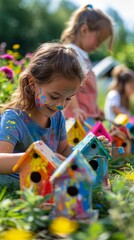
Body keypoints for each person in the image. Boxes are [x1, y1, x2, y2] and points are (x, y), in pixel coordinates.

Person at [0, 42, 111, 184]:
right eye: (54, 96)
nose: (60, 105)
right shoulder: (14, 119)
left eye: (68, 98)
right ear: (33, 84)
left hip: (47, 189)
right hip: (17, 190)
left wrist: (88, 151)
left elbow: (64, 149)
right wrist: (41, 157)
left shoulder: (57, 117)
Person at [60, 4, 114, 124]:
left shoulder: (83, 57)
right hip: (75, 119)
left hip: (86, 117)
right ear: (84, 30)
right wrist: (75, 108)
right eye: (98, 40)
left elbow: (86, 91)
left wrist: (96, 110)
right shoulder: (71, 53)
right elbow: (68, 84)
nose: (99, 45)